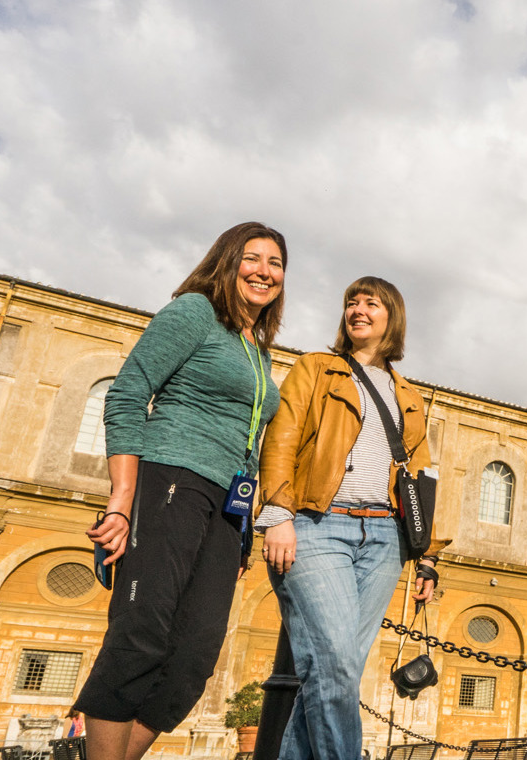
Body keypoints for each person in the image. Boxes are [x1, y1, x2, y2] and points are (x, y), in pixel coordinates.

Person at [75, 222, 288, 760]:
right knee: (141, 634)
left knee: (193, 656)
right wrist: (122, 500)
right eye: (253, 258)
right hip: (171, 480)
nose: (265, 271)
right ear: (227, 260)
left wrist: (242, 535)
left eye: (276, 263)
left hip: (225, 508)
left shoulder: (256, 350)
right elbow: (127, 394)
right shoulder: (194, 312)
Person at [257, 276, 448, 759]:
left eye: (371, 303)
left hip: (385, 537)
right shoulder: (317, 369)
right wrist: (278, 513)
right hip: (320, 525)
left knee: (333, 673)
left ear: (393, 316)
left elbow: (420, 476)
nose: (358, 309)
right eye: (351, 302)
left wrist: (424, 556)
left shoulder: (408, 394)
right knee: (335, 667)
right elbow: (281, 438)